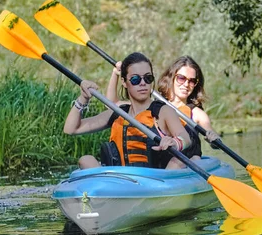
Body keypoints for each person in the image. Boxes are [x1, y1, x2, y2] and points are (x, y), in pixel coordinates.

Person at [64, 52, 192, 169]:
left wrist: (175, 142)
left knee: (178, 161)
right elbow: (71, 129)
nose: (143, 83)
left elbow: (185, 138)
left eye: (148, 78)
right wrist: (83, 98)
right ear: (124, 82)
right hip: (120, 181)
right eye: (135, 79)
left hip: (154, 181)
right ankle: (107, 191)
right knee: (86, 160)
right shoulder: (118, 113)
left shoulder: (163, 111)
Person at [107, 55, 220, 160]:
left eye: (192, 81)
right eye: (181, 78)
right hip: (162, 165)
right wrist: (115, 74)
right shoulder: (154, 106)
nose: (186, 84)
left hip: (187, 163)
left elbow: (212, 135)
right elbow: (112, 104)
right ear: (171, 77)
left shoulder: (197, 113)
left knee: (193, 159)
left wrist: (214, 140)